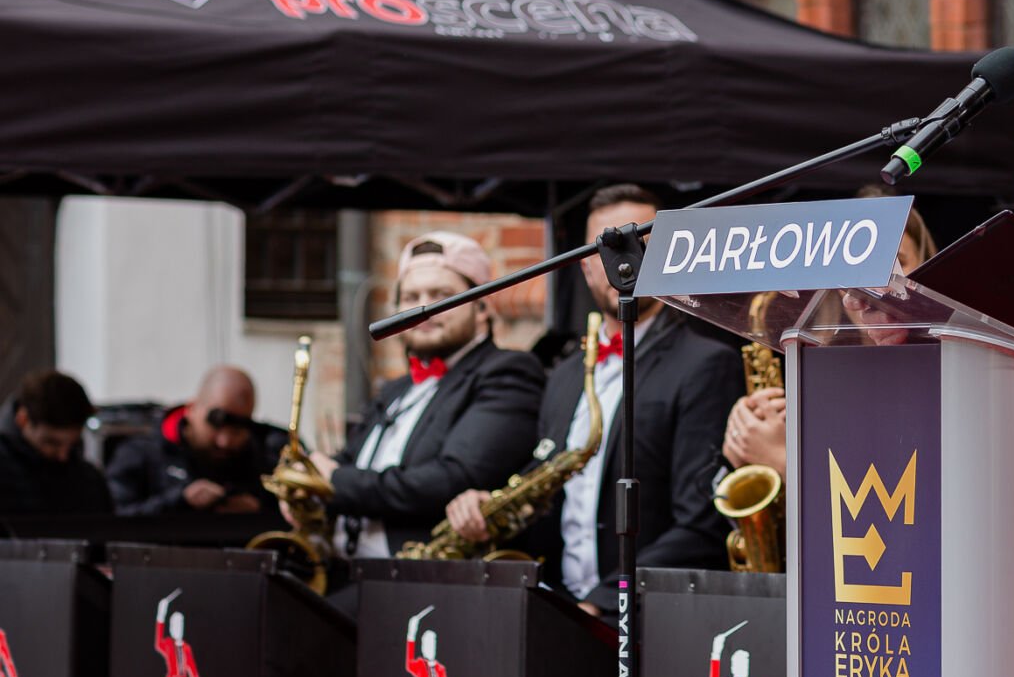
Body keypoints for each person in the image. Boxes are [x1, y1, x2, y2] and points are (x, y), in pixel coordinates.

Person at [443, 185, 744, 614]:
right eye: (609, 246)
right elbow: (549, 484)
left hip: (650, 616)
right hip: (563, 609)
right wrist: (488, 510)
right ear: (585, 267)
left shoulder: (706, 363)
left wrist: (603, 602)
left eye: (641, 243)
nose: (626, 259)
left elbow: (702, 523)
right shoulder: (565, 373)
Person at [309, 230, 545, 557]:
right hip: (343, 568)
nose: (423, 309)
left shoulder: (507, 372)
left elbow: (453, 480)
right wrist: (307, 483)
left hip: (420, 575)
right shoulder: (397, 389)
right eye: (410, 297)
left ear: (481, 307)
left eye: (441, 295)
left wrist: (335, 483)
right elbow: (352, 459)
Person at [720, 188, 938, 477]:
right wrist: (742, 445)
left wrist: (783, 462)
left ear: (925, 265)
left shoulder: (944, 370)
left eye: (895, 261)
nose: (873, 283)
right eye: (858, 263)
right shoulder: (815, 371)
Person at [106, 365, 286, 517]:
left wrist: (258, 512)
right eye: (215, 425)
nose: (224, 442)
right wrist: (179, 501)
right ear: (192, 409)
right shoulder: (141, 452)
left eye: (237, 431)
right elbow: (113, 520)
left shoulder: (265, 453)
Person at [0, 369, 113, 516]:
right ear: (23, 419)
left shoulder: (89, 479)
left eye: (72, 443)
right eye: (51, 442)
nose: (63, 455)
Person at [155, 589, 209, 677]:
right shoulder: (168, 644)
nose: (178, 627)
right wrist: (161, 613)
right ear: (170, 627)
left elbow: (194, 674)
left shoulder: (186, 648)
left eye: (180, 623)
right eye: (175, 624)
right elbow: (158, 643)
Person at [404, 606, 458, 677]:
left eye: (431, 643)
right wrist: (411, 634)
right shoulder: (420, 665)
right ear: (422, 647)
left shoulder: (440, 670)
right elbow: (409, 663)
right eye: (426, 644)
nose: (429, 647)